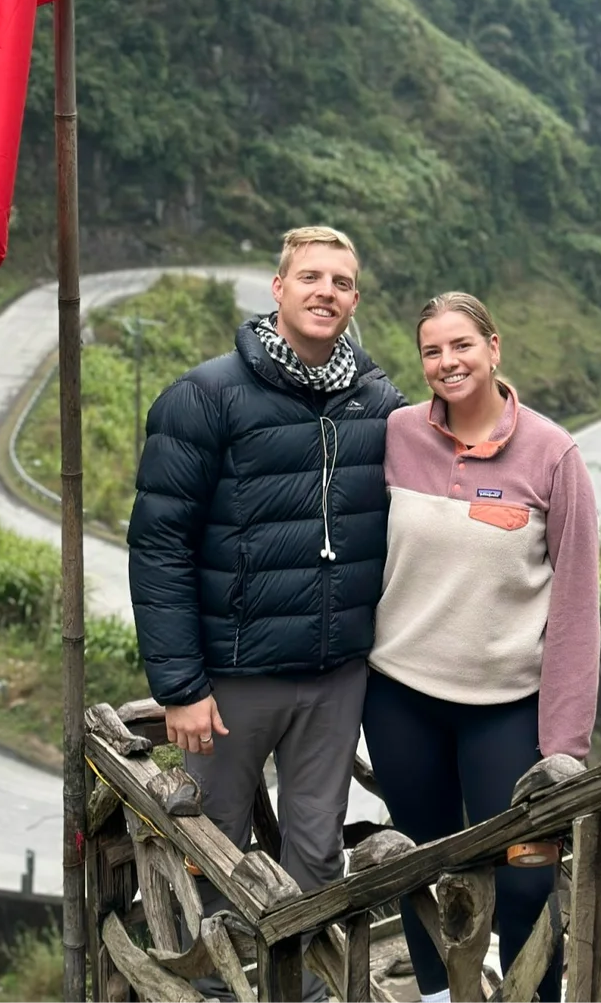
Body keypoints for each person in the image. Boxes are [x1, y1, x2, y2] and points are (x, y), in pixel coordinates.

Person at [127, 226, 405, 1003]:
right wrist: (179, 684)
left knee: (317, 849)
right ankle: (219, 991)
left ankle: (304, 993)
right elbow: (158, 546)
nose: (327, 291)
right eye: (310, 276)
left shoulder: (378, 401)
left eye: (342, 281)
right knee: (217, 845)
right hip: (234, 672)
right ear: (277, 288)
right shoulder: (205, 396)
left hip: (337, 670)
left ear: (355, 299)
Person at [362, 291, 601, 1003]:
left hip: (506, 708)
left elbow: (576, 607)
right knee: (420, 871)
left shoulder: (554, 454)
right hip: (401, 695)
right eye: (432, 351)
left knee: (527, 878)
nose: (447, 362)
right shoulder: (398, 434)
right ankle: (440, 998)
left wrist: (565, 745)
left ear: (494, 346)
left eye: (461, 345)